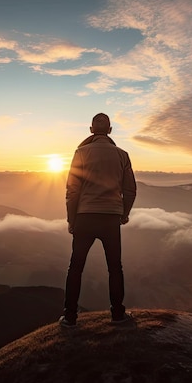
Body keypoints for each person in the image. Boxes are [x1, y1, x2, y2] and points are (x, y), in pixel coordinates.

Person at [60, 113, 137, 328]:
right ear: (110, 130)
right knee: (115, 268)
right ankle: (118, 315)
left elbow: (72, 190)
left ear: (91, 129)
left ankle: (70, 317)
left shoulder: (80, 153)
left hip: (84, 216)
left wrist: (71, 219)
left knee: (75, 267)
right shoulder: (123, 155)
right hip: (111, 217)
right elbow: (130, 190)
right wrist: (124, 214)